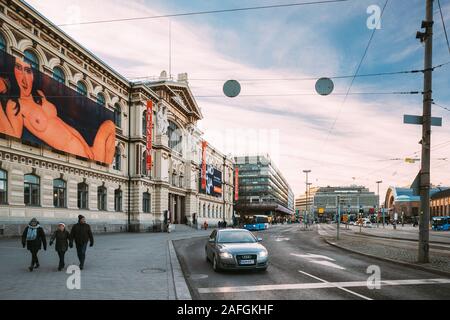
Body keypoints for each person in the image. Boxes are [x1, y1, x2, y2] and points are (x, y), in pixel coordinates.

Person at [0, 57, 115, 163]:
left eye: (28, 70)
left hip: (86, 151)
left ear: (33, 75)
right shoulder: (15, 105)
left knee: (109, 125)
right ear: (13, 73)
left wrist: (85, 145)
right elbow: (11, 134)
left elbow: (65, 126)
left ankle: (107, 169)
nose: (24, 78)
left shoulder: (39, 95)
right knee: (109, 126)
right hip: (75, 156)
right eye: (18, 68)